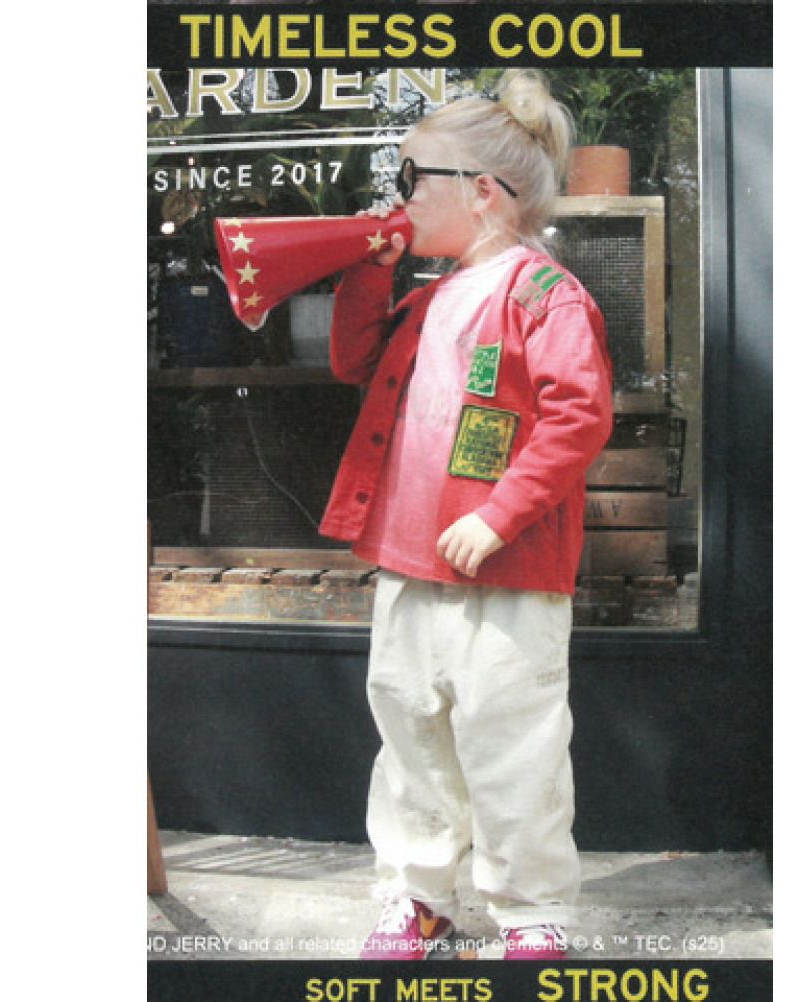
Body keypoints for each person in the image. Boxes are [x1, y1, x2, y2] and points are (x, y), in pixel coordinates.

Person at [318, 70, 613, 961]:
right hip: (410, 564)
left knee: (513, 741)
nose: (401, 196)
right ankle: (416, 895)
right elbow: (352, 361)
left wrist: (501, 513)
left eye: (413, 178)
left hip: (508, 568)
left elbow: (577, 416)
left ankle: (531, 908)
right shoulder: (425, 297)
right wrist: (369, 269)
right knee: (410, 735)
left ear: (482, 192)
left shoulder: (544, 296)